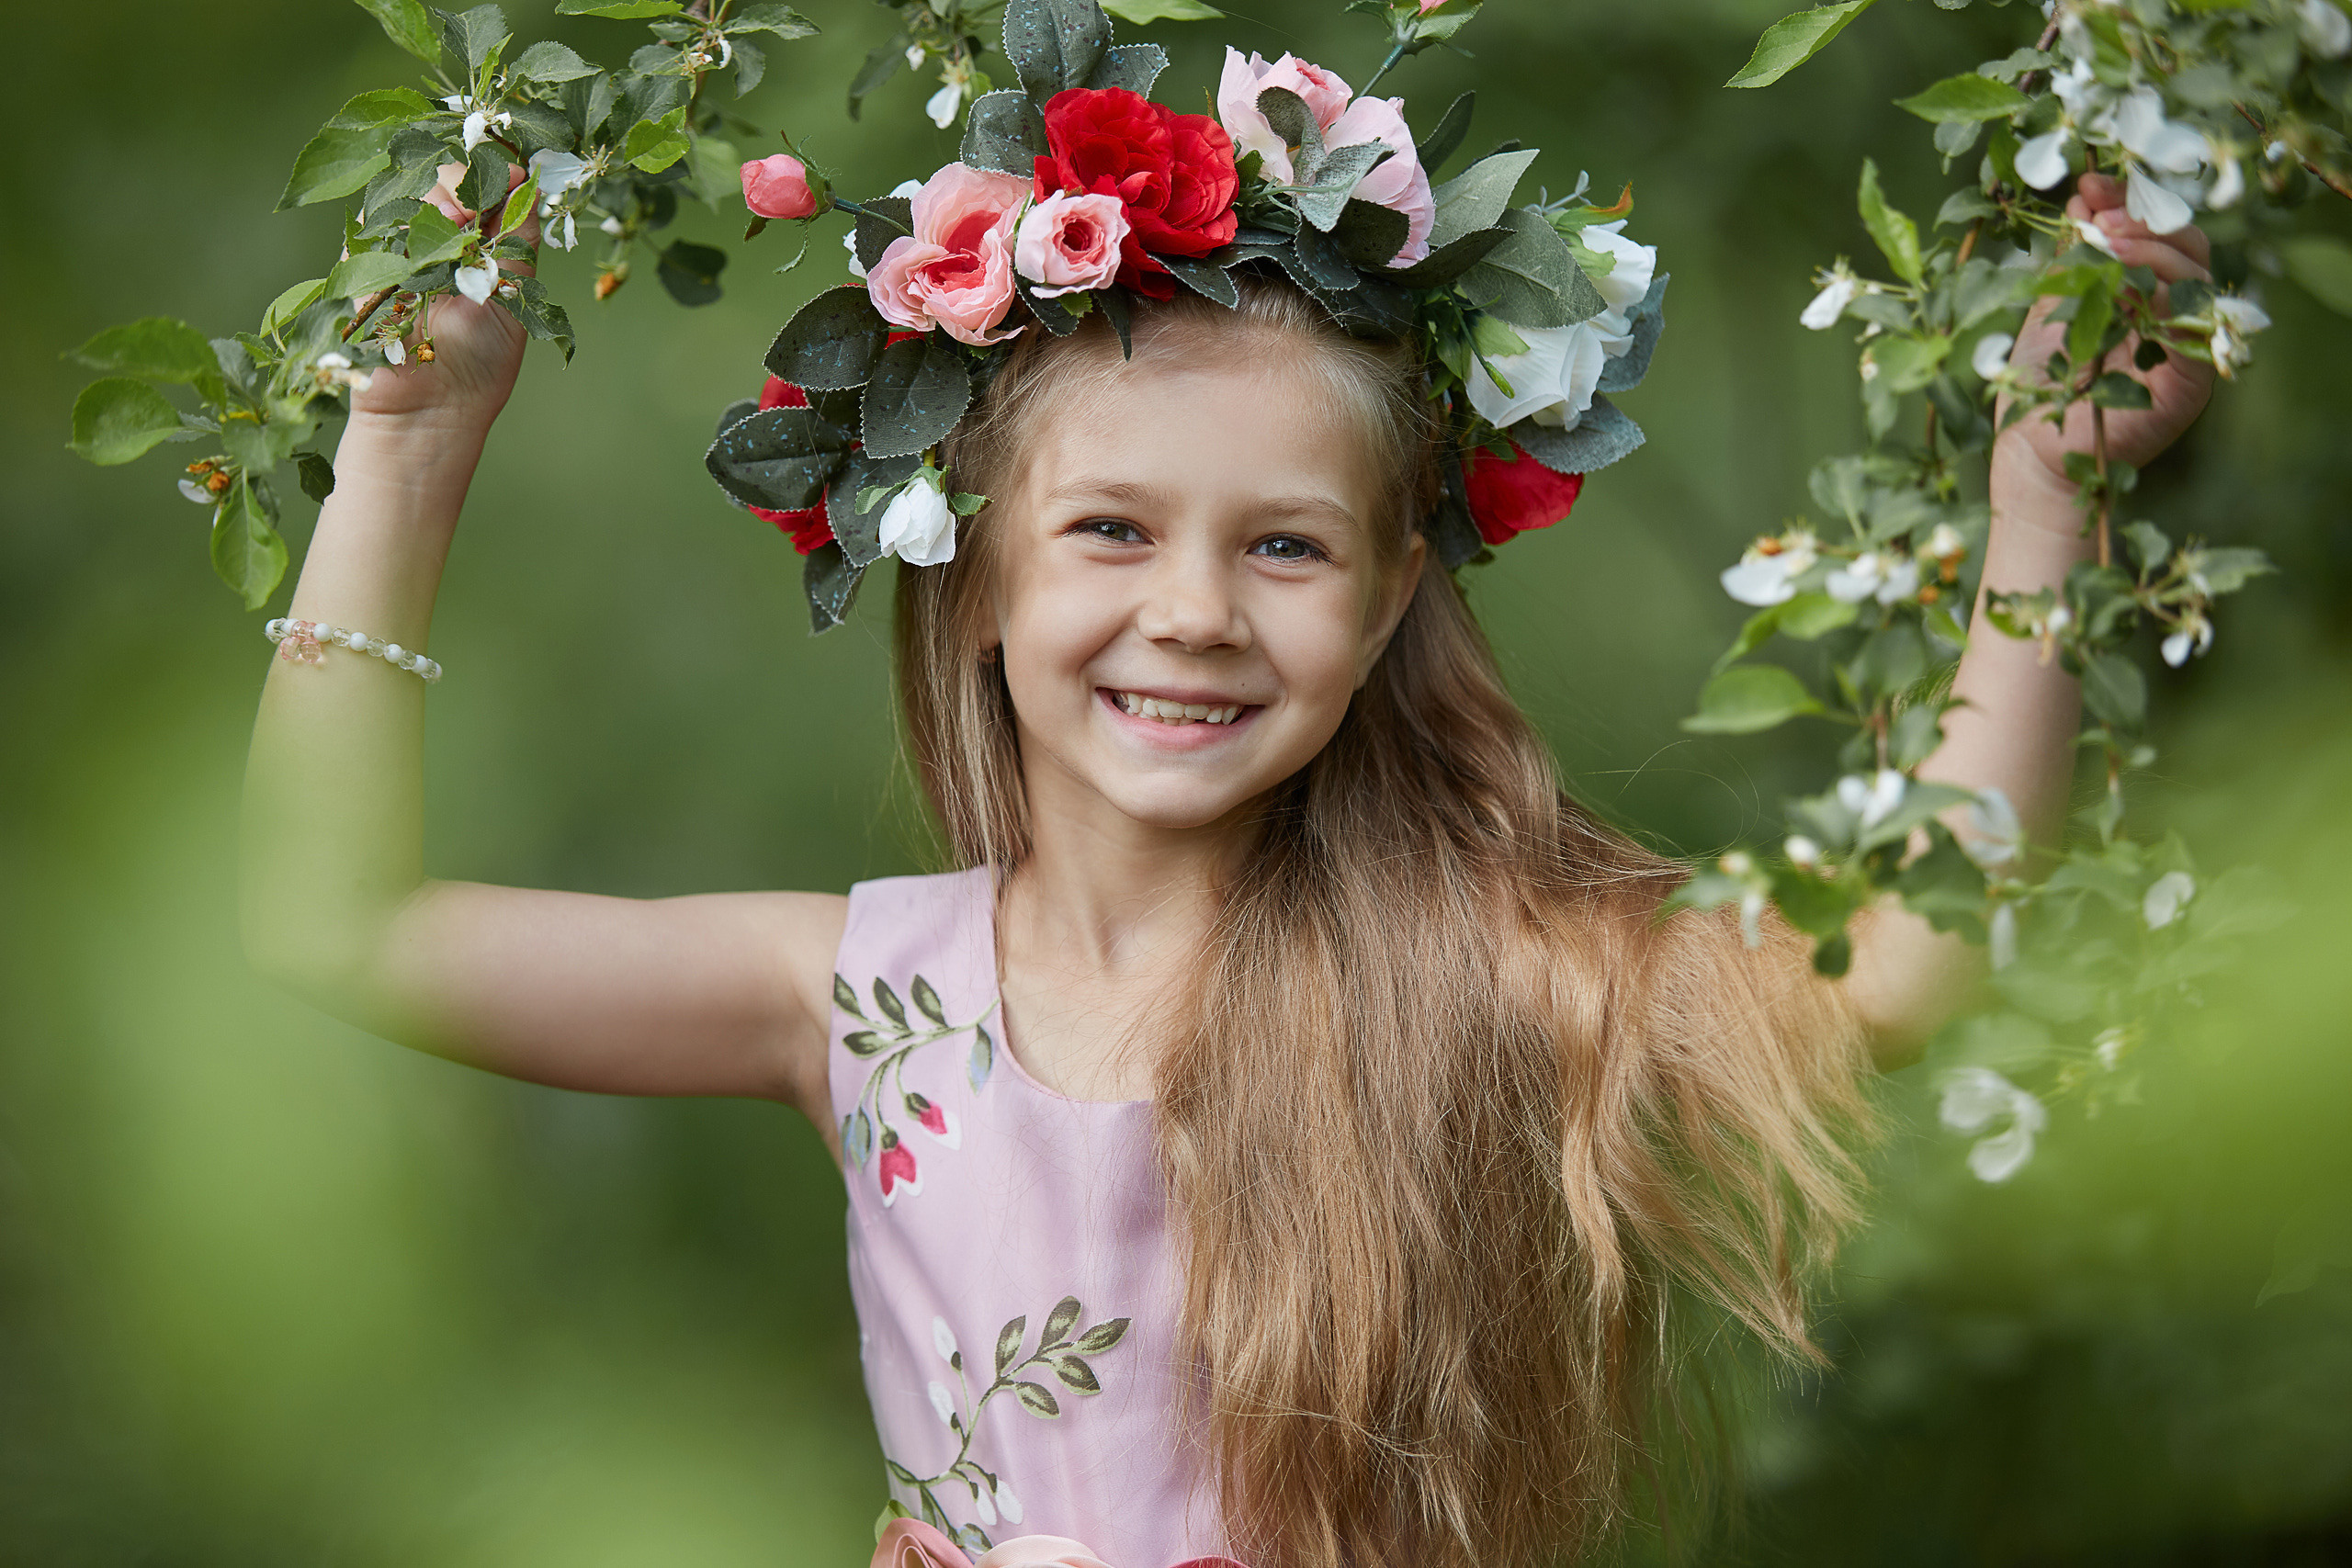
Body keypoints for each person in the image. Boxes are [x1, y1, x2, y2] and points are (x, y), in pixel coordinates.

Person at [239, 118, 2213, 1565]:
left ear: (1373, 614)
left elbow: (1894, 965)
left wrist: (2041, 498)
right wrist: (406, 447)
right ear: (979, 579)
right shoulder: (858, 991)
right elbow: (334, 923)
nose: (1192, 609)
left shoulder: (1469, 969)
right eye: (1110, 529)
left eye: (1281, 545)